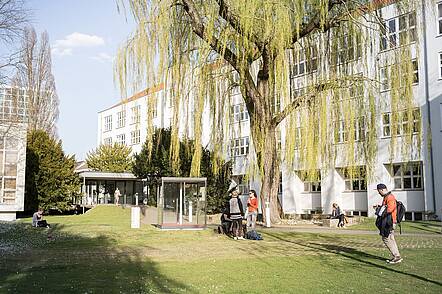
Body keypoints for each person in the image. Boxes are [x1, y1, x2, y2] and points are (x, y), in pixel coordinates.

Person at [374, 183, 402, 264]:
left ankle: (396, 256)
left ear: (382, 190)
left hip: (390, 222)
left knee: (386, 238)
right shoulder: (387, 197)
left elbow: (389, 210)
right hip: (389, 221)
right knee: (390, 238)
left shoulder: (390, 197)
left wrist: (379, 210)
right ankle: (397, 256)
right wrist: (380, 207)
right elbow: (387, 208)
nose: (379, 193)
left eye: (379, 191)